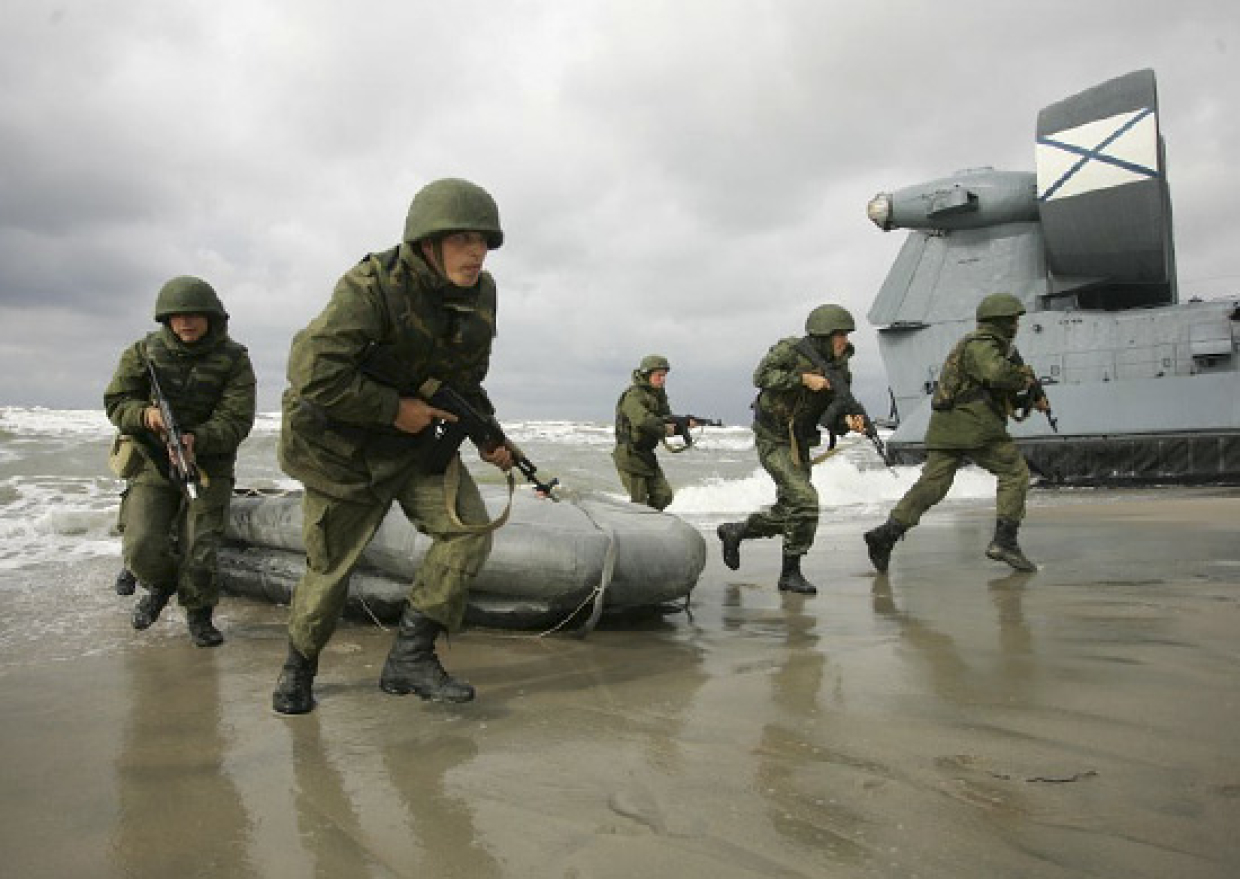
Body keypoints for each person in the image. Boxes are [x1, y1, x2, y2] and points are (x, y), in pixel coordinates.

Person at [271, 177, 514, 716]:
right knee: (331, 567)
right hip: (342, 447)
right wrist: (392, 410)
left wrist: (488, 435)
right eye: (461, 239)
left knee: (468, 532)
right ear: (428, 243)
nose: (475, 253)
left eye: (483, 242)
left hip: (417, 444)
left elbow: (463, 381)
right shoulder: (370, 287)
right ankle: (299, 667)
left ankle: (410, 655)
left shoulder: (482, 297)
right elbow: (311, 373)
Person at [103, 276, 257, 646]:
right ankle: (160, 585)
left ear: (212, 317)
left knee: (200, 545)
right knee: (140, 544)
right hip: (153, 462)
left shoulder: (234, 360)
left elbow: (237, 419)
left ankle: (199, 613)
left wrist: (196, 440)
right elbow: (116, 402)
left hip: (208, 465)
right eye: (177, 315)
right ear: (165, 320)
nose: (185, 322)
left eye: (194, 314)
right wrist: (145, 416)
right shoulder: (143, 353)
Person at [863, 292, 1045, 574]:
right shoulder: (982, 345)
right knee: (1015, 473)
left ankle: (885, 535)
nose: (1017, 326)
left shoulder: (980, 346)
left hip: (948, 427)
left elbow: (988, 392)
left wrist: (1027, 399)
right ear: (1002, 322)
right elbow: (996, 375)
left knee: (932, 486)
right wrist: (1025, 377)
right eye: (1013, 320)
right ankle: (1005, 541)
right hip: (974, 427)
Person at [715, 304, 868, 595]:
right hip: (772, 436)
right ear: (823, 335)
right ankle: (790, 573)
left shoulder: (840, 369)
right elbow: (760, 377)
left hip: (800, 440)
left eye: (846, 336)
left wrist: (849, 422)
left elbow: (831, 414)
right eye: (840, 335)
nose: (845, 342)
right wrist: (801, 379)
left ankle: (737, 531)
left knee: (792, 509)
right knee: (805, 500)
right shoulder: (790, 350)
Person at [612, 355, 698, 510]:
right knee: (639, 504)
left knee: (664, 496)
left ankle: (648, 524)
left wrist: (683, 425)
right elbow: (643, 420)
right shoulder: (633, 396)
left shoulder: (658, 397)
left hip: (646, 456)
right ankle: (637, 528)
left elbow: (666, 421)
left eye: (664, 376)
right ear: (647, 374)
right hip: (630, 455)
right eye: (659, 376)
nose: (663, 379)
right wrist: (665, 428)